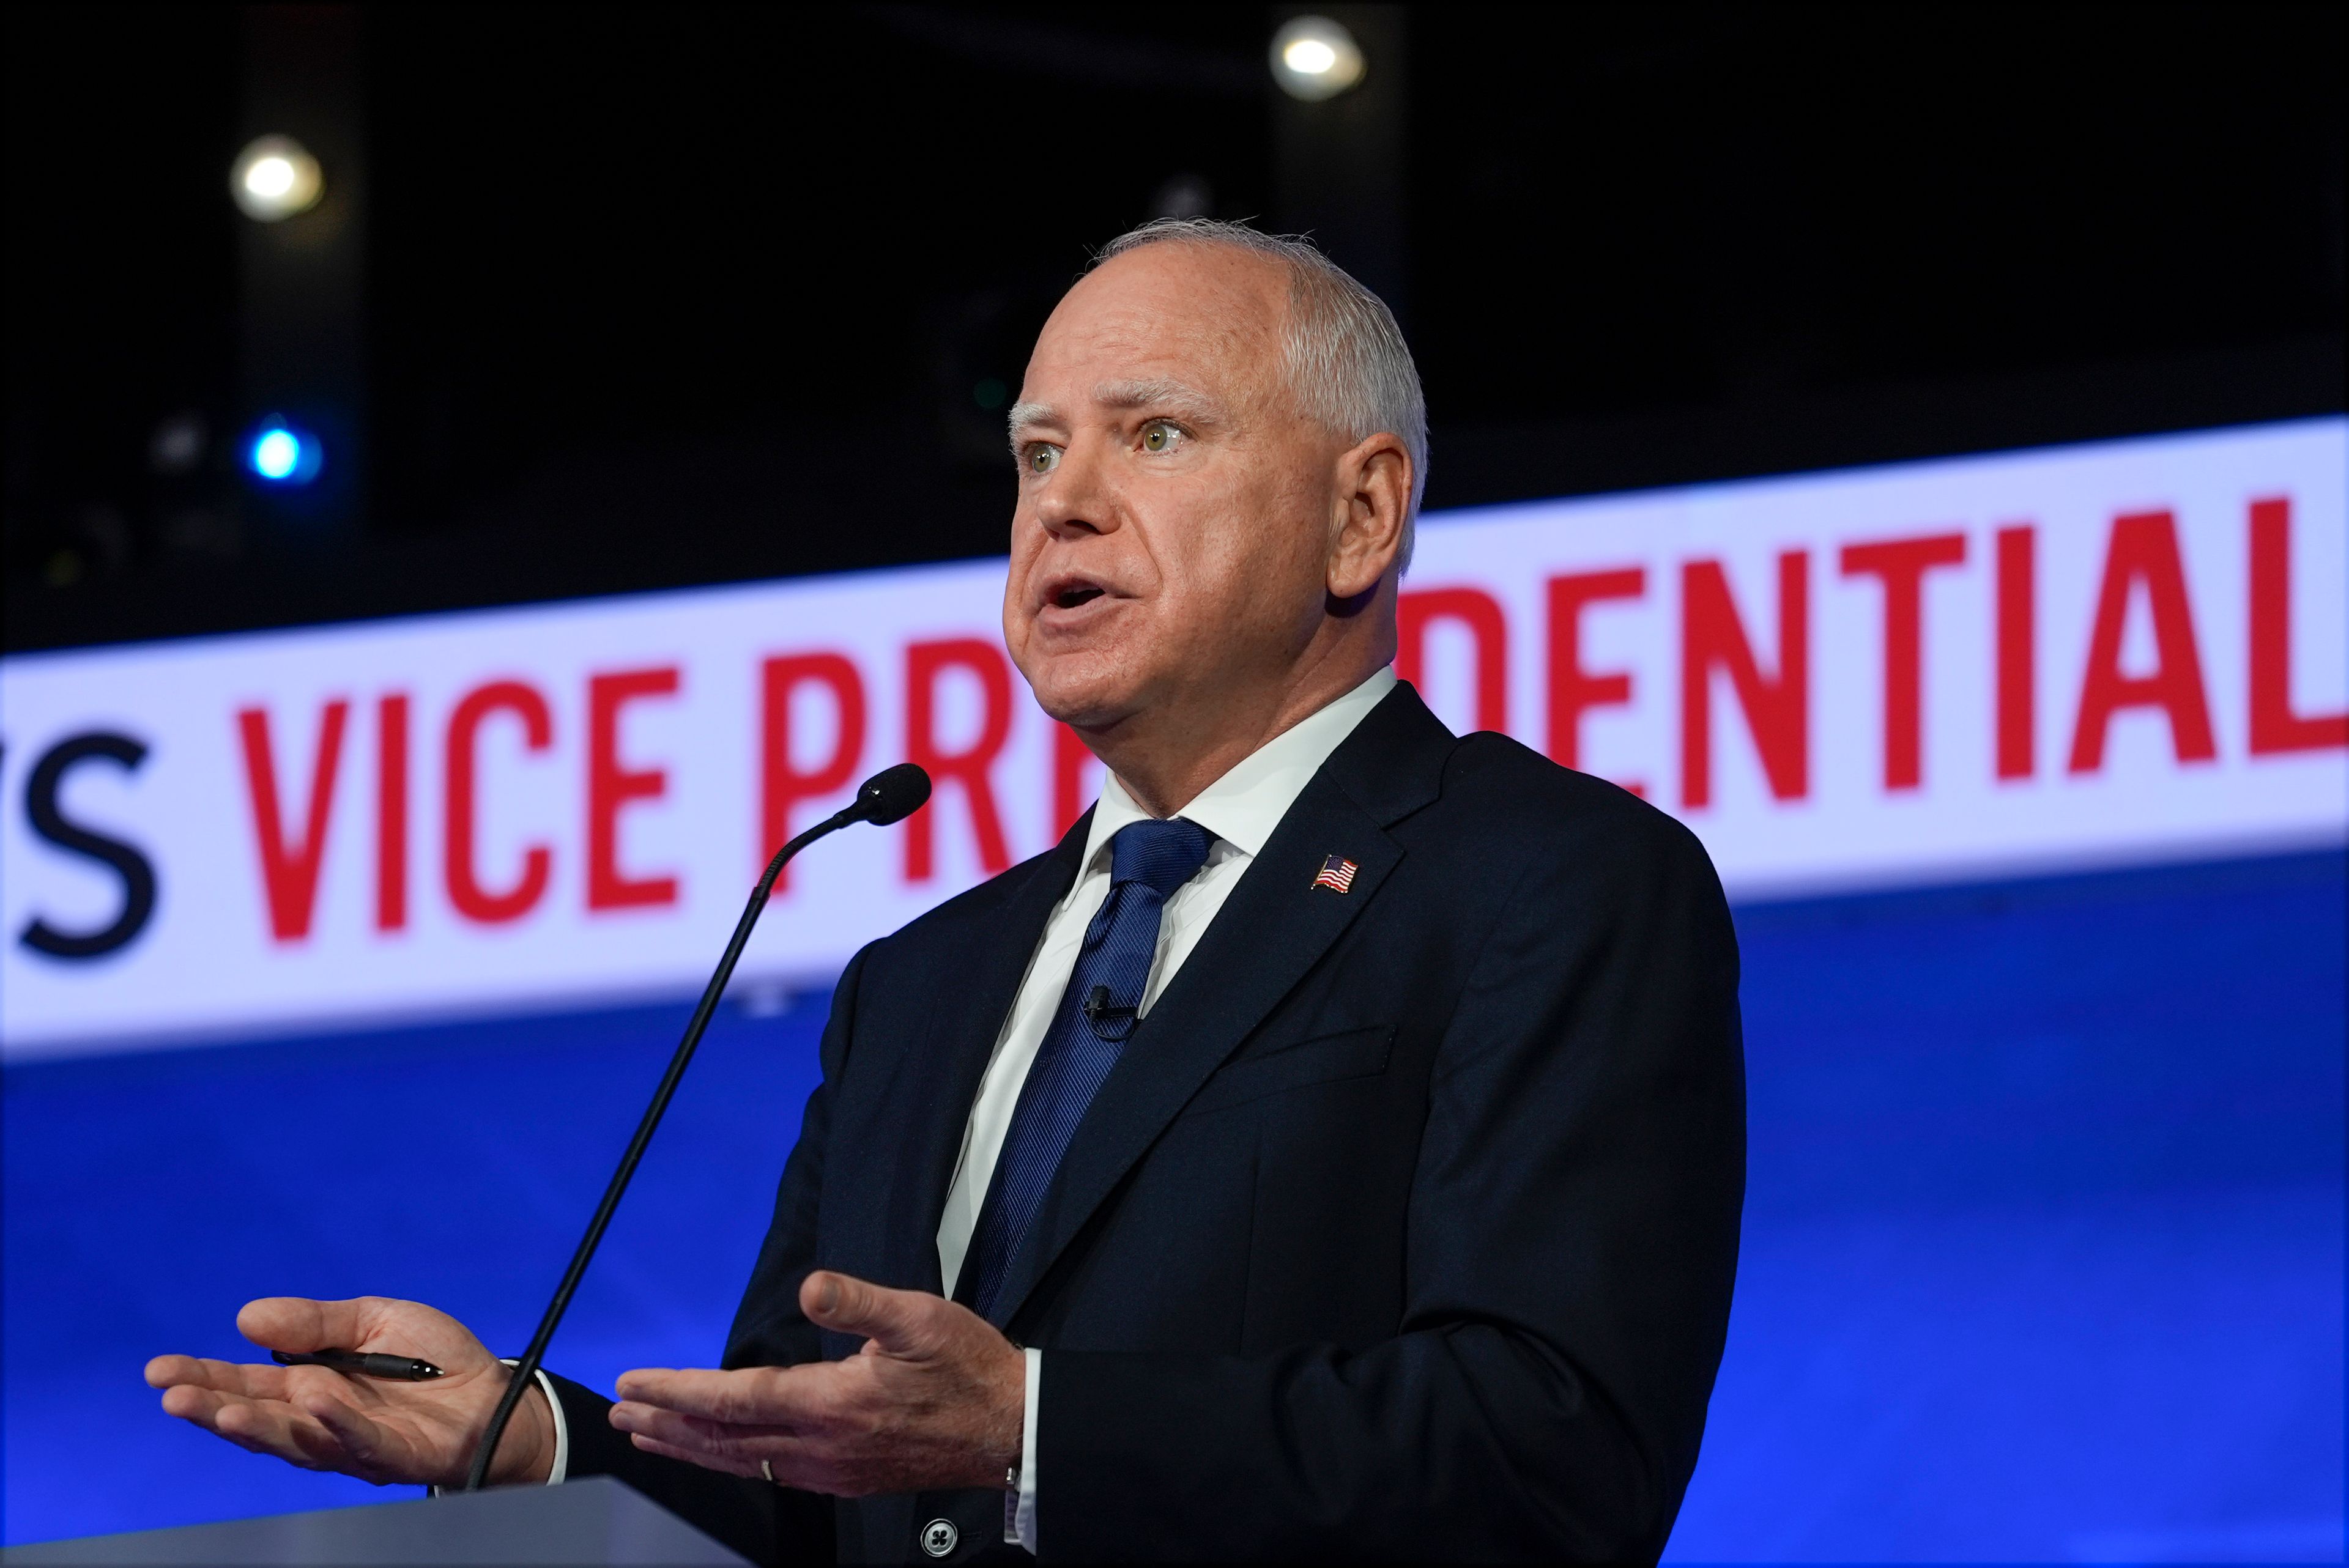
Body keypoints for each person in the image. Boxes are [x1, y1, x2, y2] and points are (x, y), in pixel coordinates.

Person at [147, 219, 1744, 1564]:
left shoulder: (1553, 883)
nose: (1061, 498)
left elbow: (1555, 1450)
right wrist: (530, 1435)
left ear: (1362, 513)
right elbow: (811, 1482)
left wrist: (1035, 1428)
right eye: (1037, 449)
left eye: (1156, 433)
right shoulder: (918, 982)